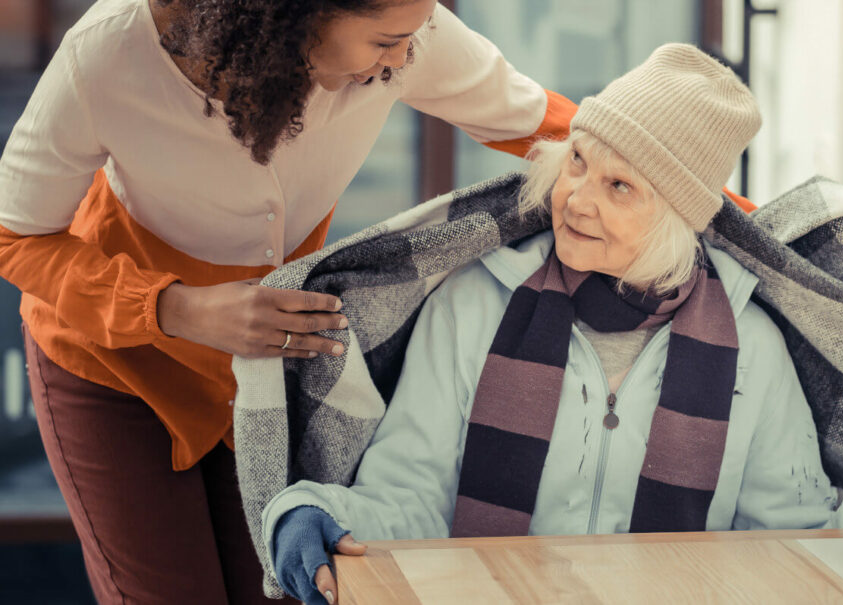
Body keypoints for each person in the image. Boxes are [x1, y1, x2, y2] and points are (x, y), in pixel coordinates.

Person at [262, 44, 843, 605]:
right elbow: (409, 497)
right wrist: (310, 508)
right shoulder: (472, 305)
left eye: (619, 185)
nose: (575, 199)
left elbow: (786, 534)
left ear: (676, 218)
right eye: (577, 161)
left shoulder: (752, 345)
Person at [0, 0, 578, 602]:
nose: (406, 58)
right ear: (294, 15)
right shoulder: (110, 52)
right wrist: (183, 309)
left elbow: (559, 130)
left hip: (257, 374)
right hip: (114, 366)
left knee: (272, 589)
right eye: (385, 43)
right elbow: (14, 234)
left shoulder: (407, 29)